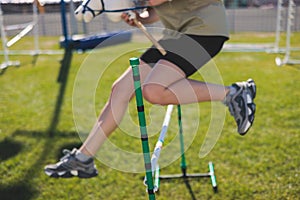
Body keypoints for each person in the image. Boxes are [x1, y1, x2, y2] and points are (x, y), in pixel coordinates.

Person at [44, 0, 256, 178]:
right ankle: (83, 159)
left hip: (204, 31)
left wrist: (112, 4)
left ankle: (232, 93)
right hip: (176, 36)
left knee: (153, 91)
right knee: (120, 90)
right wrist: (140, 17)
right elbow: (155, 9)